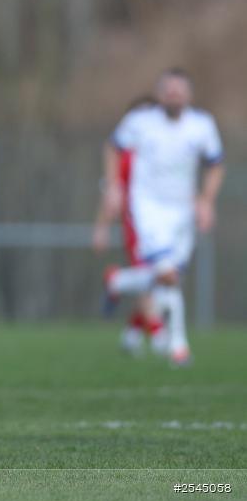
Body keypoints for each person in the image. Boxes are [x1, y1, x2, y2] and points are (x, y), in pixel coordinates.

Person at [94, 69, 224, 366]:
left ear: (189, 95)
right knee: (167, 275)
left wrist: (206, 201)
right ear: (160, 93)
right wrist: (113, 186)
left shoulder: (201, 126)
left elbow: (215, 164)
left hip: (183, 212)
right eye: (169, 90)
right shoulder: (141, 122)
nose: (174, 95)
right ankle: (178, 346)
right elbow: (113, 148)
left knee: (170, 278)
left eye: (180, 90)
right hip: (148, 209)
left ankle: (118, 281)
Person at [93, 95, 168, 355]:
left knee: (164, 277)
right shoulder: (128, 157)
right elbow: (113, 194)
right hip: (139, 225)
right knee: (153, 275)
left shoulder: (161, 152)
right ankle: (158, 333)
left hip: (164, 224)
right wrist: (102, 226)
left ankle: (132, 330)